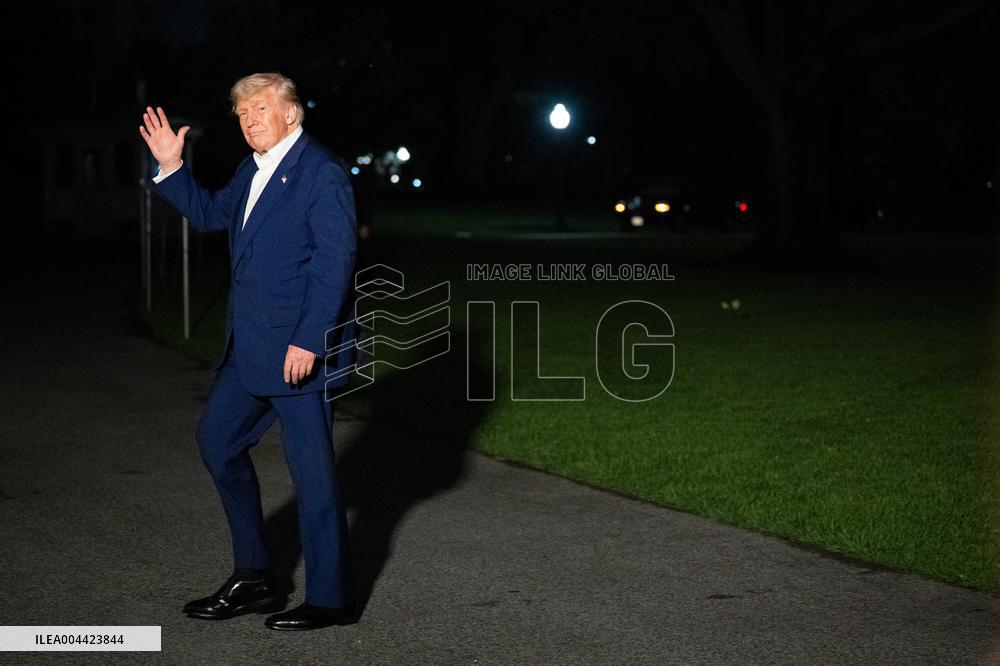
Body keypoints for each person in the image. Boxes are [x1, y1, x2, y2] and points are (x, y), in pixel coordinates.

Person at [138, 72, 360, 631]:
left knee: (312, 477)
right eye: (241, 112)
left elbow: (334, 263)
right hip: (251, 346)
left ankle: (330, 599)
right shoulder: (251, 169)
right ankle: (255, 575)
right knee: (217, 441)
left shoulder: (321, 172)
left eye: (260, 108)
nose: (249, 119)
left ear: (291, 113)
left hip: (299, 351)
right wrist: (171, 167)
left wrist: (310, 338)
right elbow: (211, 214)